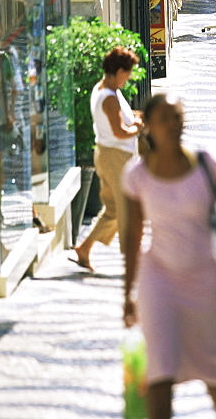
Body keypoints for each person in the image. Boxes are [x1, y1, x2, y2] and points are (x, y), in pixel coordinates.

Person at [123, 94, 216, 419]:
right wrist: (128, 291)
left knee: (213, 365)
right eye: (164, 119)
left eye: (177, 117)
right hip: (159, 278)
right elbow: (132, 236)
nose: (172, 125)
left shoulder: (208, 163)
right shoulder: (136, 175)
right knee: (159, 368)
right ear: (148, 127)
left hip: (206, 277)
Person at [70, 47, 143, 272]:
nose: (129, 77)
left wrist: (137, 117)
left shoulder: (105, 89)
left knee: (112, 209)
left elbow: (121, 118)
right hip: (115, 156)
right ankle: (132, 260)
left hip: (108, 153)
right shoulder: (109, 98)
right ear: (119, 71)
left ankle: (84, 248)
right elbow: (120, 131)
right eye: (128, 72)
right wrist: (137, 128)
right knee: (127, 210)